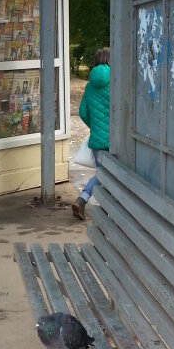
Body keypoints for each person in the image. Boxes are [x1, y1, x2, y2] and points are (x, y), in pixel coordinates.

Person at [72, 47, 110, 221]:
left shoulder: (89, 86)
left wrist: (95, 126)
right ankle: (84, 199)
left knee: (103, 174)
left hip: (97, 140)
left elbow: (83, 112)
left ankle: (86, 201)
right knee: (107, 176)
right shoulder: (115, 82)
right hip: (114, 140)